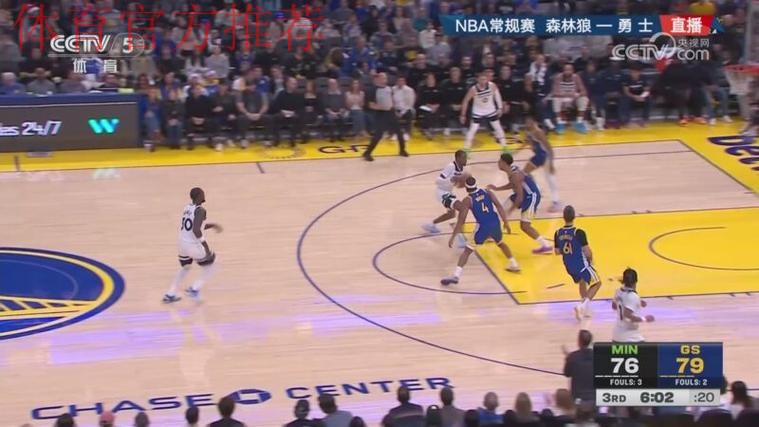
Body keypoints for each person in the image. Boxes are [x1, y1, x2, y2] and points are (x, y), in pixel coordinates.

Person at [441, 176, 520, 285]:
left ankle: (456, 275)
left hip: (482, 228)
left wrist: (453, 236)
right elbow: (499, 206)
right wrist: (506, 222)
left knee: (467, 251)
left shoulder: (468, 200)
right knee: (501, 243)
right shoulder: (487, 192)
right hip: (495, 223)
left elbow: (461, 220)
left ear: (466, 188)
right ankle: (514, 264)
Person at [163, 187, 222, 303]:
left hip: (182, 243)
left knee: (185, 268)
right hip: (192, 246)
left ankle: (170, 293)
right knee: (213, 265)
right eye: (202, 193)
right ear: (199, 196)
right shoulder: (201, 210)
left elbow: (196, 225)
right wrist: (205, 246)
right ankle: (194, 290)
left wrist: (212, 225)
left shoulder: (187, 208)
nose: (204, 195)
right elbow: (196, 230)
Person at [488, 153, 553, 254]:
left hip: (531, 196)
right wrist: (497, 189)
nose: (498, 163)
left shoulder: (514, 175)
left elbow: (520, 198)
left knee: (525, 226)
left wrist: (510, 211)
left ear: (504, 163)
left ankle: (546, 245)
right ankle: (492, 233)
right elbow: (514, 184)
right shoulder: (512, 171)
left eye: (500, 161)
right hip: (524, 194)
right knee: (502, 210)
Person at [555, 205, 602, 320]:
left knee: (582, 281)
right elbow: (587, 251)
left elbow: (557, 251)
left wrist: (567, 249)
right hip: (580, 264)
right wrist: (591, 261)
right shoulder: (578, 232)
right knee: (597, 283)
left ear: (563, 217)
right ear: (574, 216)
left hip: (568, 265)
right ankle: (582, 306)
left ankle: (584, 309)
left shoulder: (557, 233)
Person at [421, 150, 468, 243]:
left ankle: (431, 225)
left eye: (466, 157)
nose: (466, 159)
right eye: (464, 158)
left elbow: (457, 184)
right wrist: (452, 179)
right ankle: (460, 238)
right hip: (442, 192)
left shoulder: (461, 169)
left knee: (451, 214)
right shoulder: (451, 166)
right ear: (458, 158)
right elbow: (437, 181)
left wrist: (462, 183)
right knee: (462, 208)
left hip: (448, 192)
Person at [363, 72, 408, 161]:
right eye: (383, 78)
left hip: (390, 112)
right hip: (380, 114)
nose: (385, 80)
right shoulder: (372, 90)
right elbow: (370, 105)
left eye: (385, 78)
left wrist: (393, 108)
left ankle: (402, 150)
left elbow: (391, 100)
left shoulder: (389, 88)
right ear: (378, 79)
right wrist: (382, 107)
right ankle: (367, 153)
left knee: (399, 132)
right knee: (378, 135)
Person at [460, 72, 508, 151]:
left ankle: (505, 147)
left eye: (484, 79)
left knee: (498, 128)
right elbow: (465, 101)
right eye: (481, 79)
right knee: (472, 130)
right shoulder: (473, 89)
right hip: (478, 112)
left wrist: (500, 108)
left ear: (487, 79)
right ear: (478, 80)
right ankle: (466, 149)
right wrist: (463, 115)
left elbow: (497, 96)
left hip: (490, 110)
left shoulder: (492, 85)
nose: (483, 81)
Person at [523, 115, 560, 212]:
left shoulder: (539, 132)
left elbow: (549, 148)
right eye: (526, 122)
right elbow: (528, 144)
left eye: (530, 122)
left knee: (550, 179)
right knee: (524, 173)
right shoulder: (528, 131)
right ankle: (538, 190)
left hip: (545, 156)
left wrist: (551, 163)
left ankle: (556, 202)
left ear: (534, 122)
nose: (528, 124)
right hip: (538, 156)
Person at [611, 268, 654, 342]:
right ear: (636, 281)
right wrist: (645, 319)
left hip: (616, 336)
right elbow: (627, 315)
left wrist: (638, 302)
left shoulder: (618, 291)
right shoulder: (633, 296)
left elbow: (614, 306)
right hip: (630, 338)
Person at [550, 63, 589, 134]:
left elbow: (584, 91)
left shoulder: (576, 77)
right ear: (563, 70)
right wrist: (567, 95)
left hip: (573, 99)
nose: (567, 71)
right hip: (562, 98)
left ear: (573, 71)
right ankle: (560, 123)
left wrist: (578, 94)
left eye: (569, 70)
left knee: (584, 99)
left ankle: (579, 122)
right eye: (566, 70)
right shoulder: (558, 77)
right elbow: (554, 92)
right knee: (555, 99)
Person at [563, 330, 595, 404]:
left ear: (579, 341)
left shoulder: (572, 356)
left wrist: (568, 358)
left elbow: (567, 373)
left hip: (577, 397)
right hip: (594, 397)